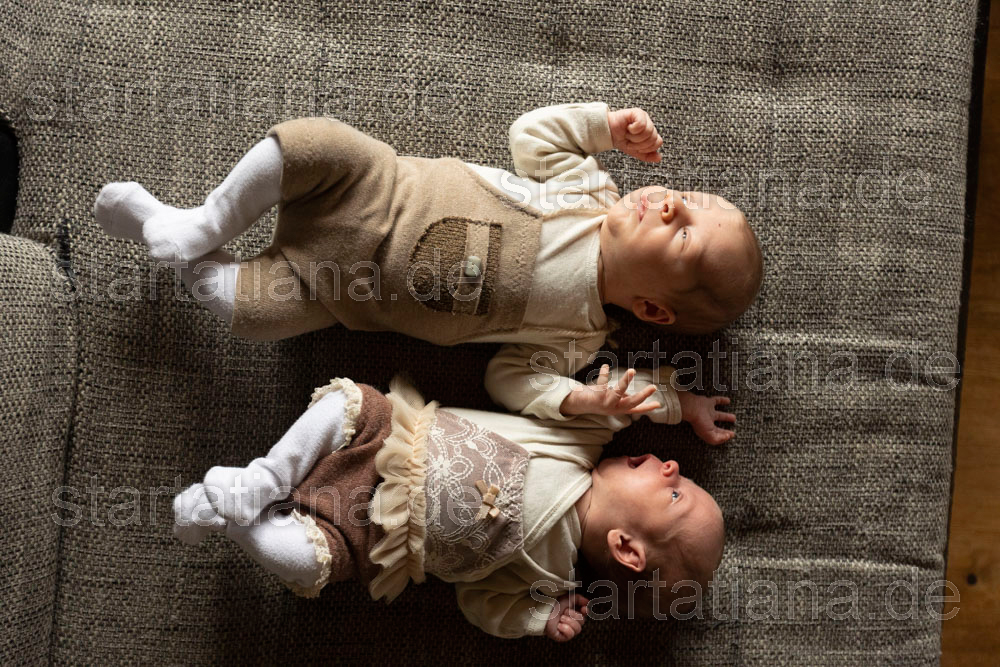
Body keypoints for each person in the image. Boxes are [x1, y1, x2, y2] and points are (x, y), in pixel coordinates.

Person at [95, 102, 761, 438]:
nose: (671, 204)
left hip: (337, 293)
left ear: (652, 309)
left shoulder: (578, 337)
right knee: (310, 141)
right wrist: (603, 127)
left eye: (682, 234)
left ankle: (172, 240)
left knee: (249, 312)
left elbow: (509, 381)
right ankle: (204, 222)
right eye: (687, 197)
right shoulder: (587, 189)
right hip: (372, 186)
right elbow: (531, 135)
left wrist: (576, 400)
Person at [172, 367, 729, 640]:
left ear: (627, 549)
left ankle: (232, 521)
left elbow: (479, 604)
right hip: (386, 439)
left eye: (674, 492)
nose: (670, 465)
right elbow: (520, 381)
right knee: (346, 403)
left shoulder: (551, 580)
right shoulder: (585, 437)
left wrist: (538, 620)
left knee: (308, 561)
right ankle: (264, 480)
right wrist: (677, 404)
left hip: (372, 537)